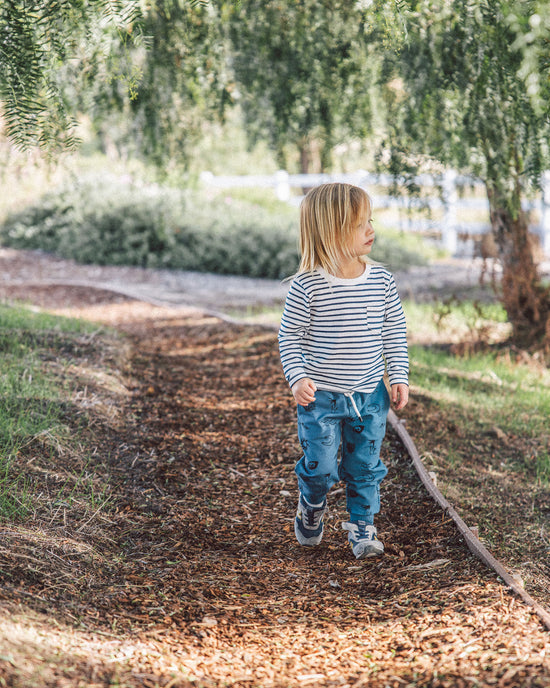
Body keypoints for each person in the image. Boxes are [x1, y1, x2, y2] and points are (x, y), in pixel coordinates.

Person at [278, 182, 409, 559]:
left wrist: (398, 375)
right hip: (320, 399)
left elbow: (393, 331)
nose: (371, 230)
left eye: (370, 221)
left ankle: (362, 527)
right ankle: (312, 504)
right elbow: (289, 337)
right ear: (331, 231)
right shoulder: (308, 286)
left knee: (365, 464)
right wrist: (297, 377)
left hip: (369, 396)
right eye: (359, 224)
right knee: (321, 468)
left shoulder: (381, 281)